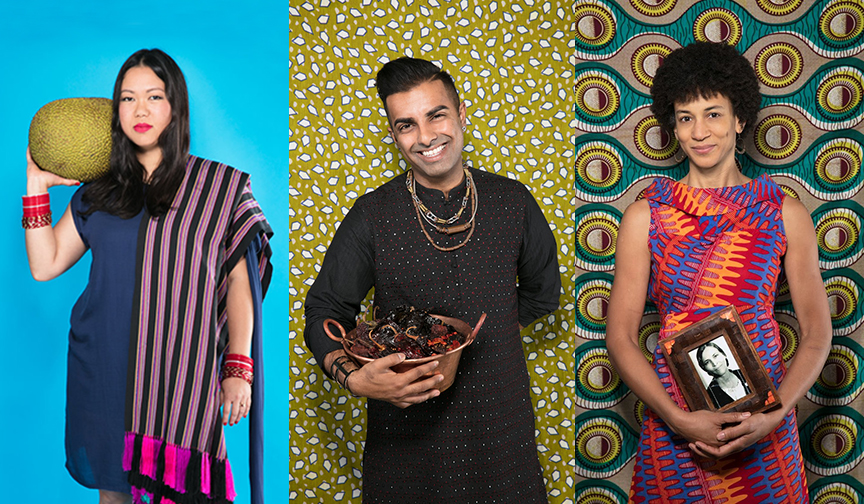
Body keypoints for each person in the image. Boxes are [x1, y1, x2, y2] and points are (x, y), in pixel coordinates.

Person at [303, 57, 561, 503]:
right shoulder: (372, 215)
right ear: (393, 134)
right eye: (406, 125)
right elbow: (324, 312)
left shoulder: (513, 201)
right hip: (405, 447)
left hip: (502, 436)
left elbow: (543, 293)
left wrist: (489, 332)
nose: (425, 137)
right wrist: (355, 379)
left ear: (460, 114)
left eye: (436, 114)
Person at [23, 49, 272, 504]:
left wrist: (238, 366)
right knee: (114, 495)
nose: (140, 110)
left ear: (175, 106)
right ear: (115, 111)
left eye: (154, 96)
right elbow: (45, 265)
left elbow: (239, 281)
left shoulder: (221, 188)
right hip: (104, 368)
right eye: (127, 98)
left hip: (179, 376)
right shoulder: (100, 192)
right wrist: (35, 184)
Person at [605, 41, 831, 502]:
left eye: (713, 114)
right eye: (685, 117)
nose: (699, 131)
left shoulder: (783, 212)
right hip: (678, 419)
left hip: (763, 420)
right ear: (672, 126)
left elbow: (816, 333)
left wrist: (775, 413)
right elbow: (621, 338)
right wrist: (675, 417)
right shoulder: (645, 216)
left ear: (740, 119)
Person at [696, 341, 750, 408]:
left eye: (715, 356)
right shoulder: (710, 395)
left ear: (724, 354)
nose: (715, 363)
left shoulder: (747, 373)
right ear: (704, 368)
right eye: (707, 362)